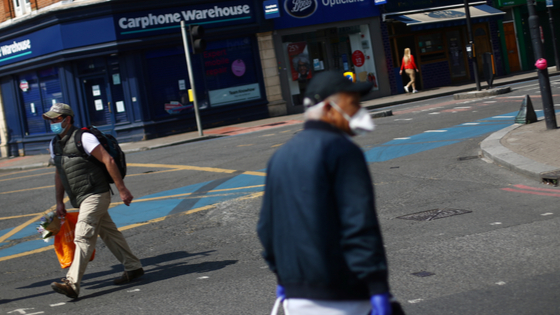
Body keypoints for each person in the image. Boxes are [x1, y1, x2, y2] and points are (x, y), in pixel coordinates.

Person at [257, 71, 393, 315]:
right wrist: (377, 287)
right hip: (344, 295)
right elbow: (359, 224)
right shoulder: (342, 152)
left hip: (296, 298)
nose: (359, 111)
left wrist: (283, 277)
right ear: (330, 108)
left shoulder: (279, 157)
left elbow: (267, 228)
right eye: (353, 104)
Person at [43, 103, 143, 299]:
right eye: (50, 120)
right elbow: (59, 172)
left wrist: (122, 190)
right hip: (80, 197)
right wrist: (59, 202)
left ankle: (72, 283)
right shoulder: (54, 144)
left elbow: (109, 160)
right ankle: (134, 267)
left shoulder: (84, 137)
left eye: (55, 119)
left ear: (67, 119)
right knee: (109, 233)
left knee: (83, 235)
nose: (52, 123)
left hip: (96, 194)